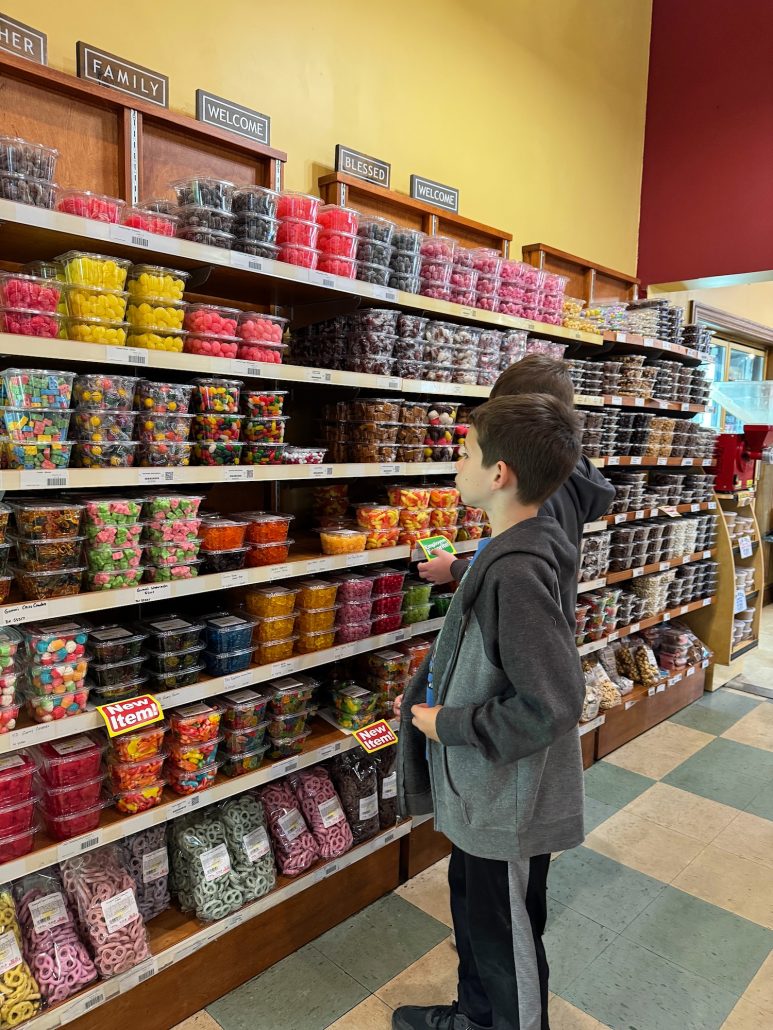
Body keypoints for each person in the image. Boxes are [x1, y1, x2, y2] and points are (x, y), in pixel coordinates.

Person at [394, 394, 586, 1030]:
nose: (457, 459)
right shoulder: (512, 549)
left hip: (507, 800)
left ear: (498, 473)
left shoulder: (516, 572)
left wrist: (447, 722)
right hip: (484, 795)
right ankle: (475, 1017)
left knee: (507, 943)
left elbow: (552, 704)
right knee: (476, 916)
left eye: (466, 451)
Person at [418, 355, 615, 626]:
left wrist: (456, 569)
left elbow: (516, 582)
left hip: (534, 624)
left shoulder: (533, 500)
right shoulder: (567, 474)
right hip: (554, 614)